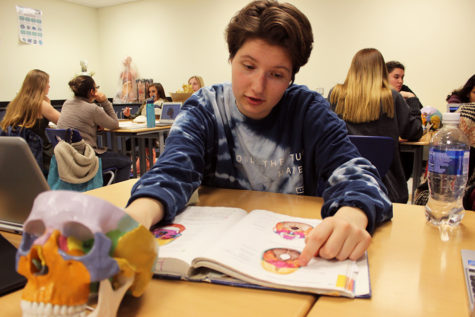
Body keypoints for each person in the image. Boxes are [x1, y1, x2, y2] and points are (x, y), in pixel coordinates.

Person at [125, 0, 393, 263]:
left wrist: (351, 215)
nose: (257, 86)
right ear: (231, 58)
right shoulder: (206, 107)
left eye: (276, 75)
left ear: (291, 78)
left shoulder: (309, 111)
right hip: (213, 255)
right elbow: (172, 171)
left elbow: (357, 174)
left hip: (291, 253)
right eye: (249, 66)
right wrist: (136, 217)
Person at [329, 48, 423, 204]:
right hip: (387, 187)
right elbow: (414, 131)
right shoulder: (391, 97)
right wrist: (413, 100)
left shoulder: (336, 94)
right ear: (381, 70)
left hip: (344, 181)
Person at [57, 75, 131, 184]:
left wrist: (94, 126)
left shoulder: (67, 103)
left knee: (110, 155)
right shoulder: (92, 109)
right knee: (126, 161)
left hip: (66, 157)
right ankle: (116, 195)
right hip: (85, 159)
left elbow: (80, 123)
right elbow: (115, 124)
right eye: (96, 88)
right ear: (92, 91)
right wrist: (105, 101)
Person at [0, 69, 60, 175]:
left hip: (20, 156)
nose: (49, 86)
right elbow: (64, 121)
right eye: (48, 83)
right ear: (41, 85)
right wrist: (49, 105)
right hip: (41, 157)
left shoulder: (15, 103)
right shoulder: (41, 104)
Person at [386, 61, 424, 181]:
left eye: (402, 77)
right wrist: (411, 99)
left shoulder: (404, 90)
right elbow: (415, 130)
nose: (400, 81)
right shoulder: (383, 96)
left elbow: (419, 109)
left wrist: (411, 97)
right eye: (396, 77)